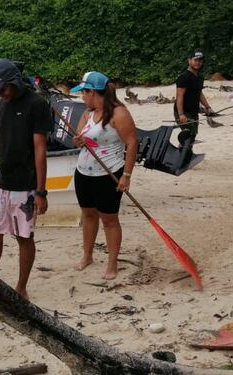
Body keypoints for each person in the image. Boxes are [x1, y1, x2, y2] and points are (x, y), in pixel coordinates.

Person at [0, 58, 53, 299]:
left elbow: (40, 150)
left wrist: (41, 192)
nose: (0, 94)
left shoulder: (37, 104)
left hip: (26, 186)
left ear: (14, 82)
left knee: (23, 237)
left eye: (2, 89)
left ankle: (21, 287)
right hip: (2, 184)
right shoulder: (1, 104)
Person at [69, 72, 138, 280]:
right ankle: (87, 255)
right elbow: (78, 138)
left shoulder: (119, 113)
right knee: (88, 214)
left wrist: (126, 175)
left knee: (109, 219)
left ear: (92, 92)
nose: (82, 97)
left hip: (109, 173)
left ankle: (112, 263)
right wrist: (77, 141)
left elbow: (132, 143)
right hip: (83, 172)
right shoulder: (87, 113)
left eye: (83, 92)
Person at [175, 51, 214, 143]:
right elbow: (179, 96)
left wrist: (208, 107)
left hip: (194, 111)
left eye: (200, 61)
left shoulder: (200, 77)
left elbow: (199, 93)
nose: (198, 63)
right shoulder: (184, 77)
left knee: (192, 136)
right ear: (189, 61)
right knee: (187, 136)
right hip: (184, 112)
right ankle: (182, 151)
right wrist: (181, 114)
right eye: (195, 60)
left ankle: (184, 151)